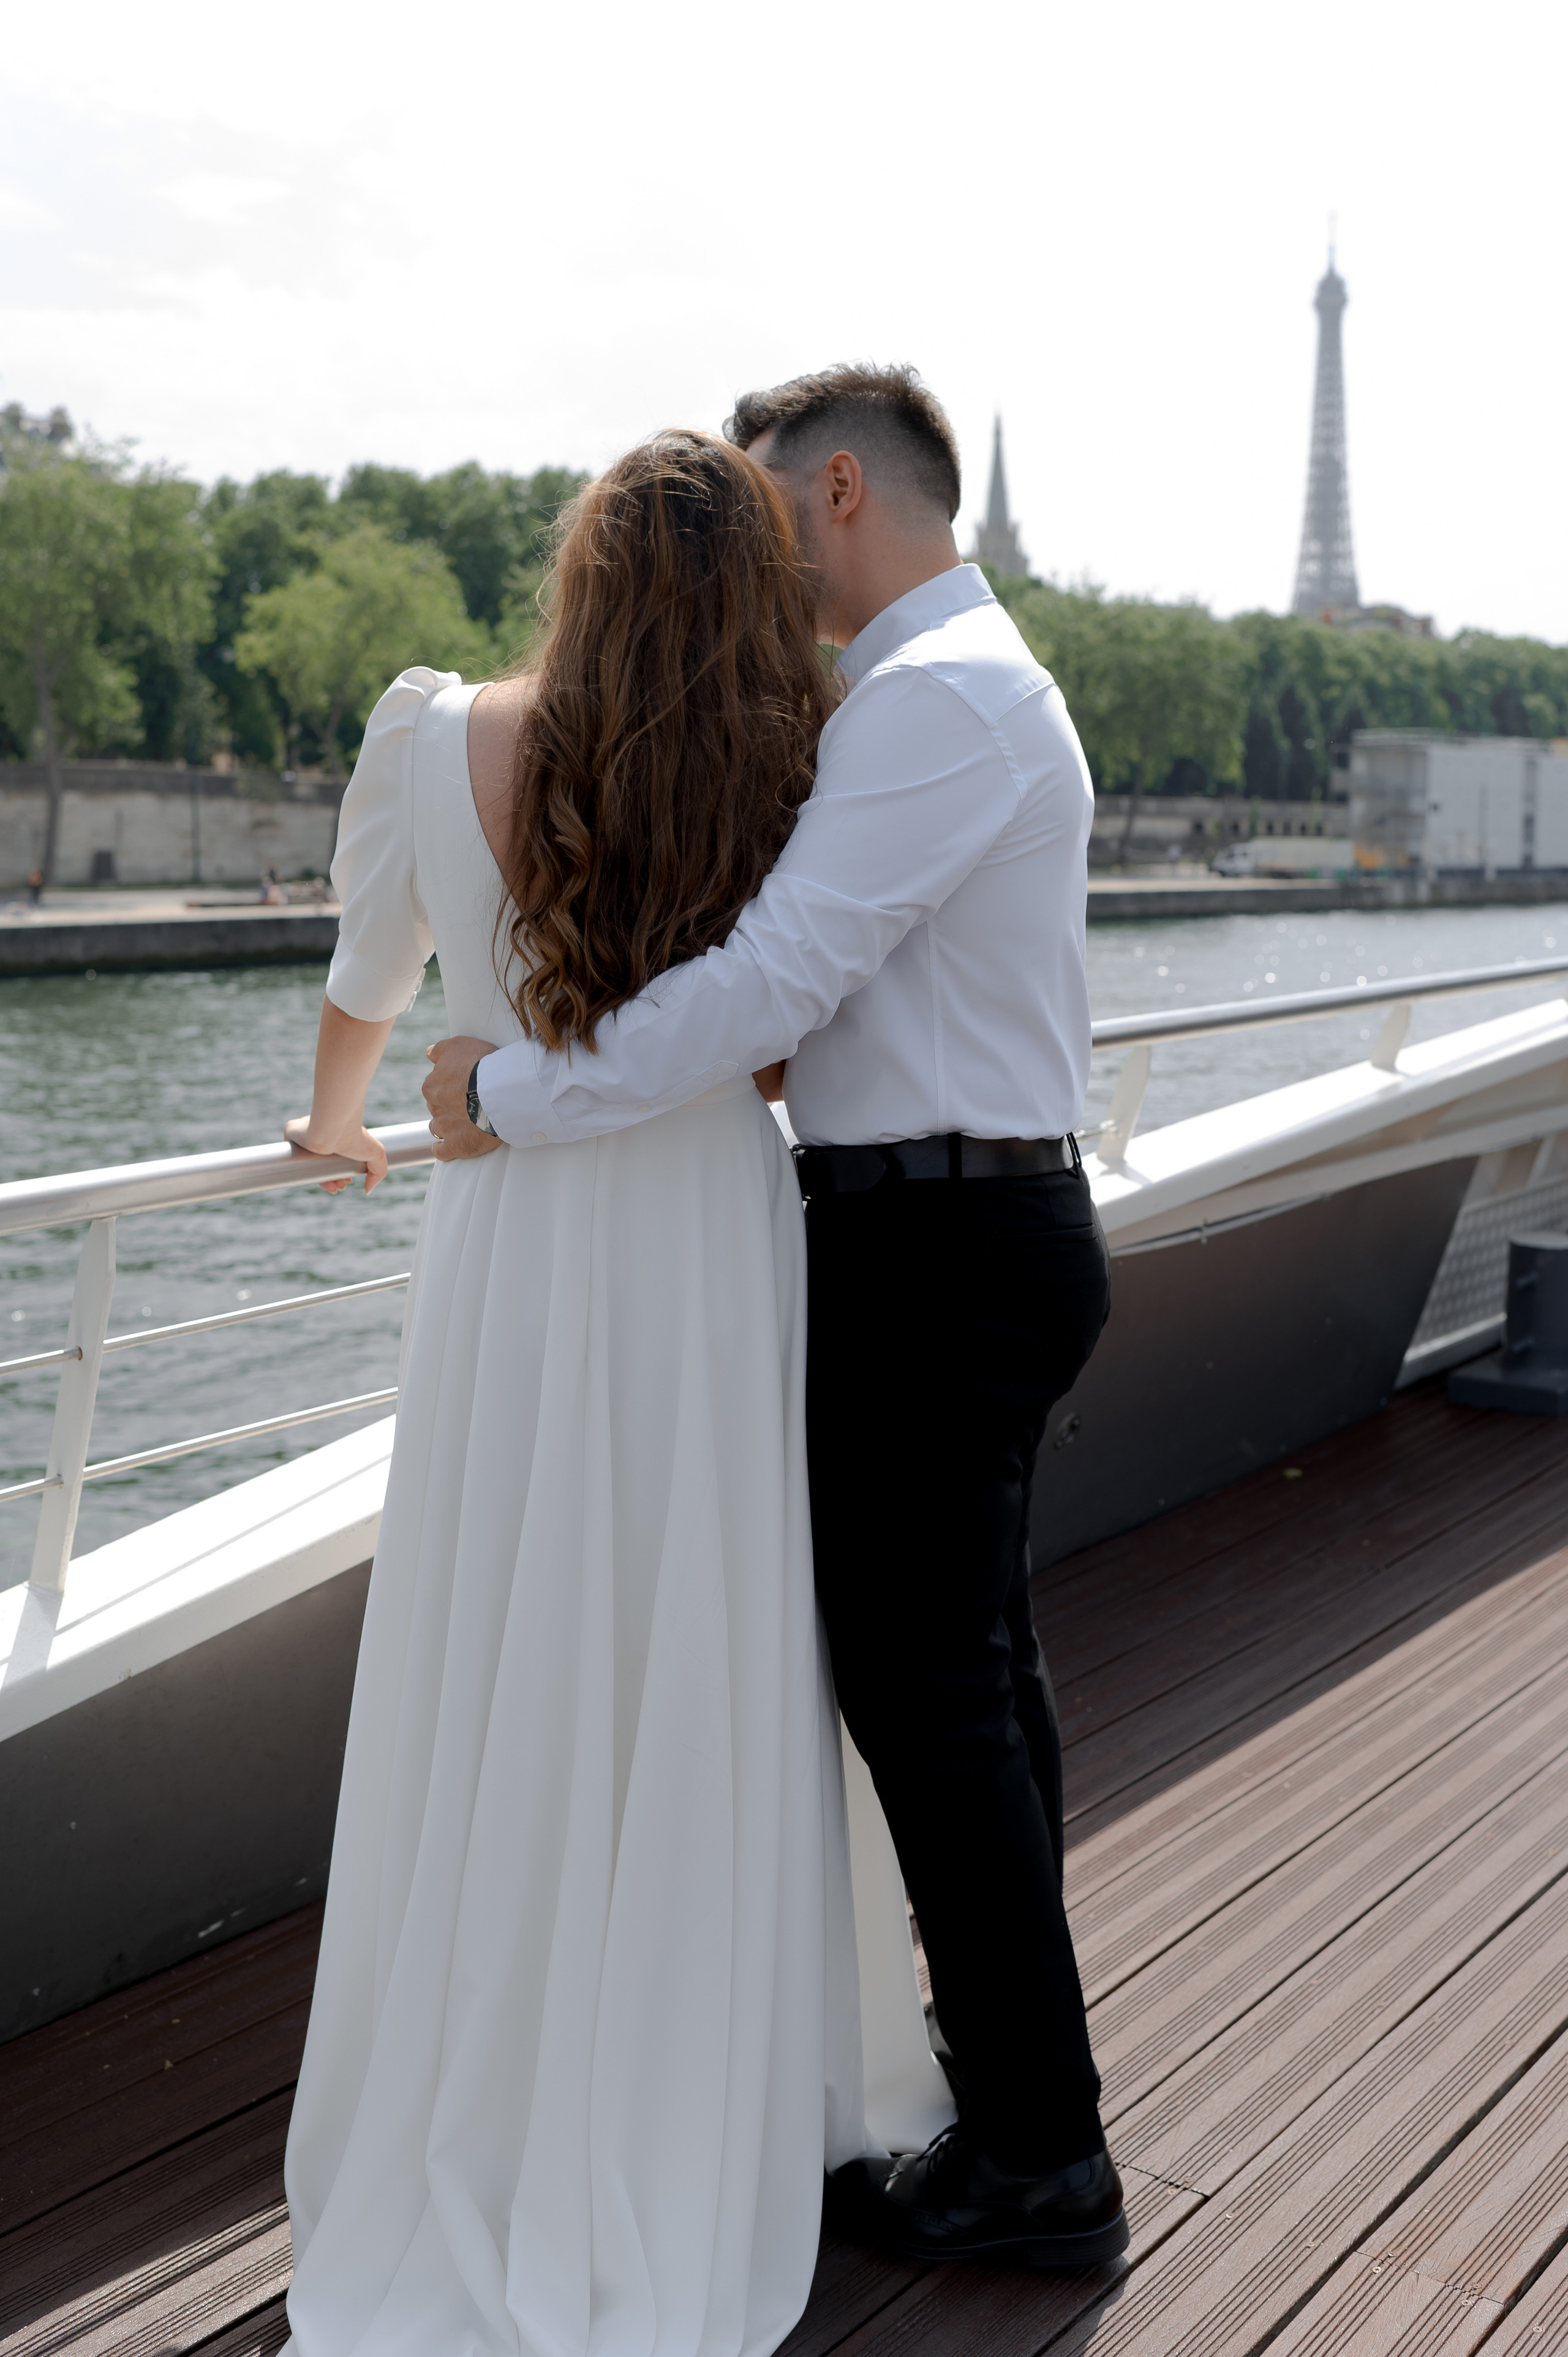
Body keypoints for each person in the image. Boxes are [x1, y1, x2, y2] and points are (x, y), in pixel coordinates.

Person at [424, 365, 1127, 2270]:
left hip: (935, 1249)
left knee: (938, 1708)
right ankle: (1023, 2106)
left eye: (755, 516)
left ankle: (1042, 2155)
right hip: (980, 1227)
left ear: (834, 492)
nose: (742, 562)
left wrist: (512, 1097)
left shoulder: (932, 705)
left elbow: (771, 981)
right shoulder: (968, 689)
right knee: (980, 1688)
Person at [277, 431, 945, 2357]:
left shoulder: (434, 738)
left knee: (508, 1641)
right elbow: (790, 1026)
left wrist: (336, 1130)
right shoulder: (794, 758)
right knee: (700, 1634)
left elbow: (368, 984)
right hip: (716, 1245)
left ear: (573, 566)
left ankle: (482, 2078)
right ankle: (702, 2067)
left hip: (508, 1231)